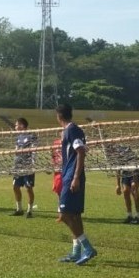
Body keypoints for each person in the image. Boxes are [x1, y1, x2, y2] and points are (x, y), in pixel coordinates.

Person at [55, 104, 97, 266]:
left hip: (71, 176)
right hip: (70, 175)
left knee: (64, 215)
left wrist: (75, 177)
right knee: (74, 215)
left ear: (58, 116)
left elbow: (80, 151)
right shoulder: (70, 130)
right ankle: (75, 252)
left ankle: (88, 248)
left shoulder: (72, 130)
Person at [111, 144, 139, 224]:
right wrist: (118, 185)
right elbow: (118, 170)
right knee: (125, 191)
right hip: (126, 171)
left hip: (135, 171)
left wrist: (134, 184)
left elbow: (135, 170)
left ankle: (138, 216)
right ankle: (129, 215)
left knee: (134, 192)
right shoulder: (117, 157)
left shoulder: (129, 155)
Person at [12, 118, 37, 217]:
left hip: (28, 165)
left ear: (22, 125)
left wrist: (33, 163)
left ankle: (29, 210)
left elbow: (35, 150)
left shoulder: (32, 135)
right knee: (15, 186)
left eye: (16, 125)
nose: (15, 127)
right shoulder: (18, 137)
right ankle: (19, 209)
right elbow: (16, 150)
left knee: (28, 187)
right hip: (18, 165)